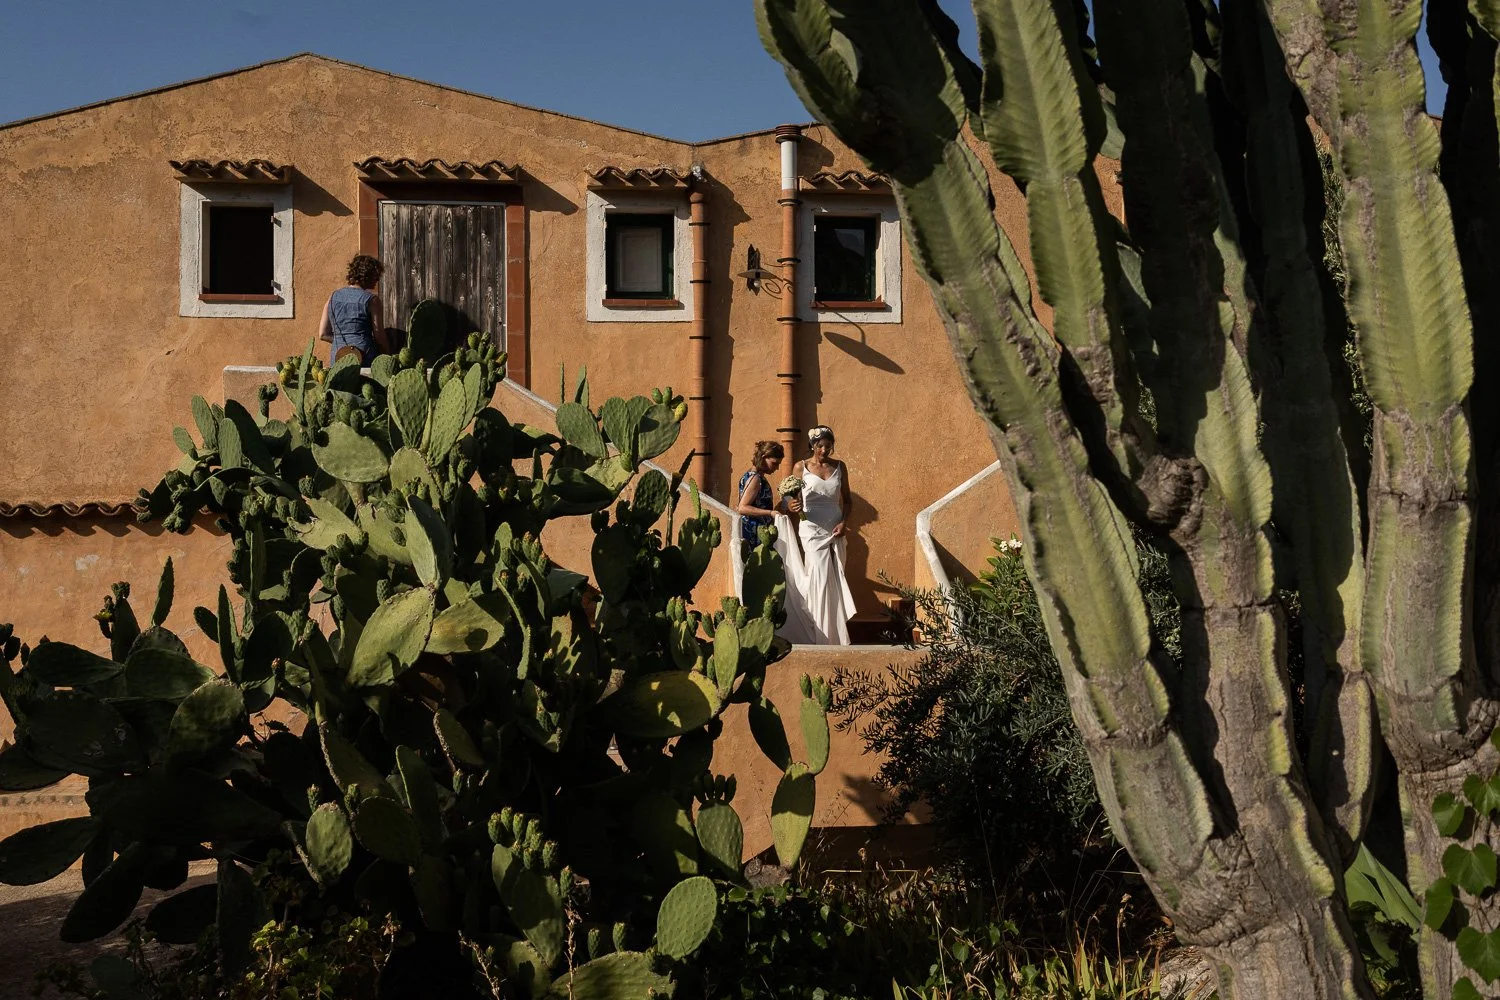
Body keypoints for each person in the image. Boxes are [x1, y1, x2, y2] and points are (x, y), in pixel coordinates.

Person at [777, 425, 856, 645]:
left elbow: (848, 500)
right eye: (820, 446)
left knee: (834, 579)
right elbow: (787, 498)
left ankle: (835, 635)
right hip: (811, 529)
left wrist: (843, 522)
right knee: (819, 578)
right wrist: (790, 504)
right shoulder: (800, 467)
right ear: (812, 445)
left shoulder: (840, 467)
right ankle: (818, 635)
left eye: (828, 446)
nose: (824, 450)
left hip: (835, 528)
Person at [319, 254, 390, 365]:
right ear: (368, 275)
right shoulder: (372, 300)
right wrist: (388, 356)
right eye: (376, 275)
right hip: (364, 356)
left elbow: (323, 334)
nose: (377, 279)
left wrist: (344, 342)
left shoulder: (332, 297)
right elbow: (379, 335)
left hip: (339, 355)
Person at [736, 441, 800, 560]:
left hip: (759, 531)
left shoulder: (755, 477)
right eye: (774, 463)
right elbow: (742, 508)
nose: (777, 468)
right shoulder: (755, 479)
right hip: (753, 533)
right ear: (764, 457)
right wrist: (770, 513)